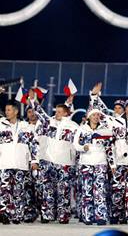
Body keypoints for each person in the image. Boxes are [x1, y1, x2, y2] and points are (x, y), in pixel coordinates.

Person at [28, 90, 79, 224]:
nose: (57, 114)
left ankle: (63, 216)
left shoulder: (74, 126)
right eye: (56, 111)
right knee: (47, 189)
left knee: (64, 190)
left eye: (60, 112)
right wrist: (33, 101)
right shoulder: (49, 122)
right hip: (49, 161)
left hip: (65, 162)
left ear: (67, 113)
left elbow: (78, 143)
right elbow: (39, 112)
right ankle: (47, 214)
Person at [73, 108, 115, 225]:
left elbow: (109, 148)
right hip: (86, 162)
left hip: (100, 162)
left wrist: (112, 164)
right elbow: (75, 144)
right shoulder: (81, 129)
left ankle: (100, 216)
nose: (96, 117)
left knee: (100, 190)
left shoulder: (105, 130)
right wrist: (82, 148)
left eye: (98, 115)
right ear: (89, 117)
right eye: (94, 115)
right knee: (87, 190)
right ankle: (88, 216)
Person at [0, 100, 39, 224]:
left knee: (19, 190)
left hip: (21, 163)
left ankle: (17, 215)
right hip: (4, 163)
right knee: (4, 190)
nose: (7, 112)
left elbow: (34, 144)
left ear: (16, 111)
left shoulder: (25, 126)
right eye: (6, 110)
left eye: (9, 110)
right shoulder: (0, 125)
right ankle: (4, 214)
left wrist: (34, 160)